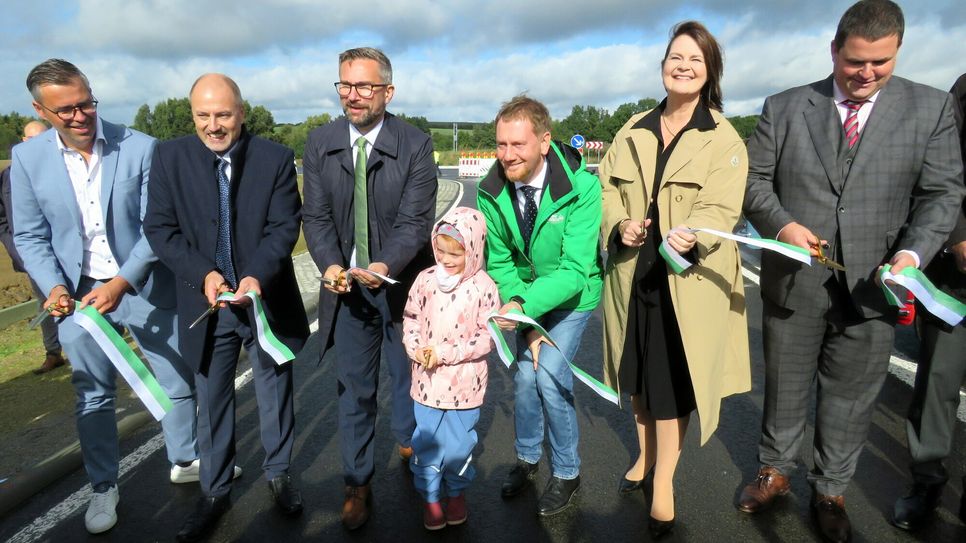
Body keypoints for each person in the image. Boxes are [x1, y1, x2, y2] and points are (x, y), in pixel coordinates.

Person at [739, 2, 965, 541]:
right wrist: (783, 223)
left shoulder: (931, 109)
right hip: (795, 281)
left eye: (880, 63)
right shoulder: (785, 106)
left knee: (852, 397)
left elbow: (942, 194)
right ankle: (775, 472)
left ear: (899, 51)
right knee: (785, 389)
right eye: (855, 62)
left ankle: (831, 489)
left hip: (877, 288)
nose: (866, 74)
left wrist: (912, 255)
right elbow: (754, 182)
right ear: (834, 50)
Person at [10, 59, 198, 534]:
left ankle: (185, 459)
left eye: (87, 103)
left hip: (143, 284)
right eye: (66, 110)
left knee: (174, 379)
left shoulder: (141, 147)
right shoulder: (27, 160)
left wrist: (121, 283)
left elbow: (157, 227)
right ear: (39, 110)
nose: (80, 116)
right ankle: (102, 487)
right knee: (92, 395)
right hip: (75, 297)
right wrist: (54, 285)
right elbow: (30, 235)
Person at [597, 21, 751, 539]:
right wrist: (619, 223)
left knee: (669, 386)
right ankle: (644, 457)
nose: (683, 67)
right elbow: (606, 189)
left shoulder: (723, 137)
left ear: (710, 73)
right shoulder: (634, 126)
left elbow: (723, 206)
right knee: (636, 376)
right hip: (633, 272)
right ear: (663, 63)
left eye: (695, 60)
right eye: (675, 57)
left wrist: (693, 233)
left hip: (686, 280)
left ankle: (664, 480)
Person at [143, 73, 308, 541]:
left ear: (241, 112)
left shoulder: (274, 159)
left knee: (274, 391)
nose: (213, 125)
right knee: (211, 400)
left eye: (223, 115)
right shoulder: (169, 157)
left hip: (263, 300)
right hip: (206, 305)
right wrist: (206, 276)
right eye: (203, 115)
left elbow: (282, 227)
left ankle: (279, 474)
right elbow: (160, 230)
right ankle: (214, 491)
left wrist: (255, 276)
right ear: (192, 114)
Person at [301, 46, 437, 530]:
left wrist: (382, 265)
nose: (352, 96)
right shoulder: (319, 143)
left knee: (410, 380)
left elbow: (415, 221)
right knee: (354, 391)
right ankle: (357, 482)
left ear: (388, 91)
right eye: (344, 85)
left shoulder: (417, 144)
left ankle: (413, 446)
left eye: (363, 86)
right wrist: (331, 264)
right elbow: (314, 217)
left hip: (402, 287)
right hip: (348, 293)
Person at [477, 95, 603, 517]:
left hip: (572, 295)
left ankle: (567, 472)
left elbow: (574, 269)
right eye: (500, 145)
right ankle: (528, 459)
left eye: (518, 145)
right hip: (524, 300)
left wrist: (521, 307)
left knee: (548, 375)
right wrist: (519, 309)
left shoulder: (582, 187)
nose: (507, 156)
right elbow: (500, 261)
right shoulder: (489, 191)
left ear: (544, 142)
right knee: (525, 381)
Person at [890, 73, 966, 532]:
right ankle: (927, 482)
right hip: (956, 277)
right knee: (938, 383)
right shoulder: (962, 91)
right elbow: (943, 173)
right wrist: (958, 237)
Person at [401, 207, 499, 530]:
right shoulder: (425, 280)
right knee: (427, 443)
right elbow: (411, 318)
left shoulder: (484, 287)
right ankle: (430, 497)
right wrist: (415, 347)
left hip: (465, 388)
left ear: (473, 250)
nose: (444, 259)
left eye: (455, 253)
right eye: (440, 250)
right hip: (427, 385)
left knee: (459, 445)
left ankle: (456, 493)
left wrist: (445, 353)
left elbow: (488, 338)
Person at [1, 120, 67, 374]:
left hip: (66, 251)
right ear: (23, 141)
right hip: (33, 256)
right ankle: (53, 352)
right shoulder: (7, 176)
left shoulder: (61, 168)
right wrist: (18, 247)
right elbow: (3, 219)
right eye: (30, 139)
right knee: (46, 303)